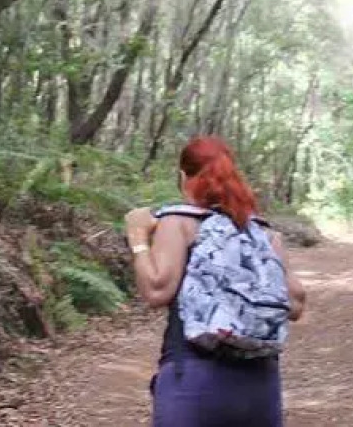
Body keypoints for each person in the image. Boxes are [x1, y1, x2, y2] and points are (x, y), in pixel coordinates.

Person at [124, 136, 308, 427]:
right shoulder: (263, 233)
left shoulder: (178, 222)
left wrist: (137, 238)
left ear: (184, 176)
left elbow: (157, 290)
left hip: (193, 381)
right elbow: (295, 302)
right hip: (261, 385)